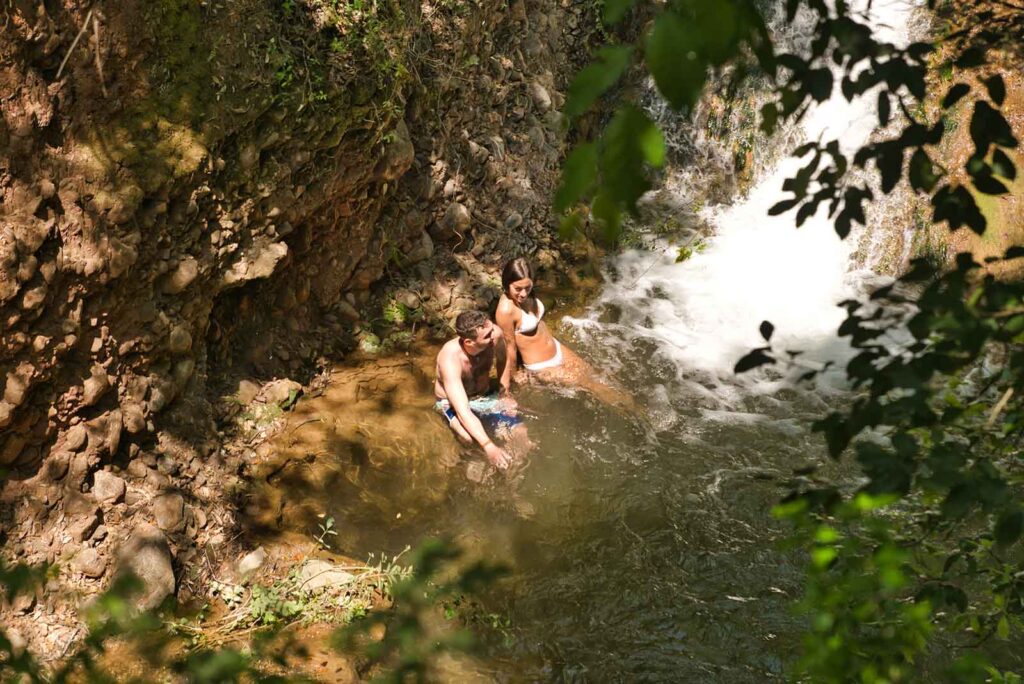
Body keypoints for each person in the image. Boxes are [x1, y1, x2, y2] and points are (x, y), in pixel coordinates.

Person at [495, 256, 632, 406]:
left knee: (595, 374)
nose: (523, 294)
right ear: (507, 284)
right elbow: (509, 347)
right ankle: (633, 411)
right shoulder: (506, 310)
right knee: (592, 385)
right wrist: (515, 376)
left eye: (527, 287)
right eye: (517, 289)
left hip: (557, 348)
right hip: (541, 364)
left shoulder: (528, 294)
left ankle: (630, 404)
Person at [435, 310, 524, 470]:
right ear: (469, 342)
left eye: (491, 331)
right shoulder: (450, 359)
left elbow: (503, 360)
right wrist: (489, 445)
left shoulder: (494, 334)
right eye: (487, 336)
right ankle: (474, 468)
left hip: (484, 395)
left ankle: (515, 470)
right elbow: (463, 411)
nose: (493, 336)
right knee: (469, 438)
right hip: (453, 403)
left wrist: (505, 393)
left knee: (520, 432)